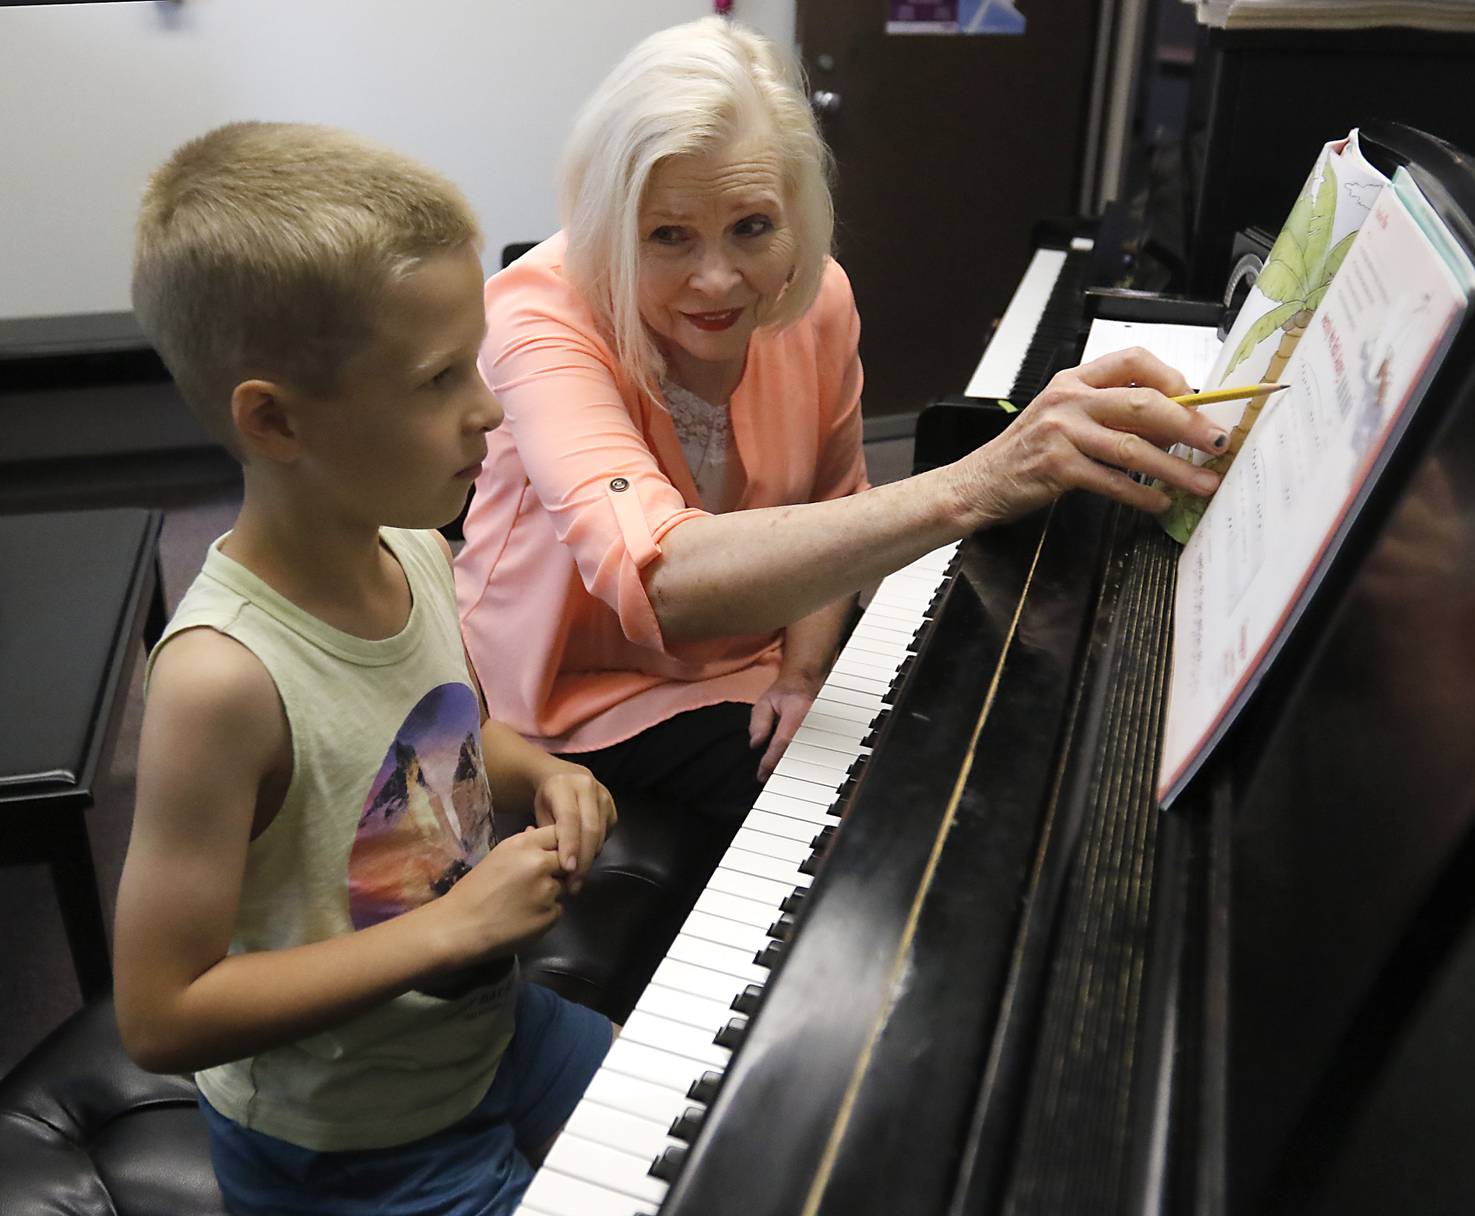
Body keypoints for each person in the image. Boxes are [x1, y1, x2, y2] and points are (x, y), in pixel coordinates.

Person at [454, 18, 1228, 854]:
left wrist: (803, 670)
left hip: (755, 647)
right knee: (879, 823)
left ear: (798, 211)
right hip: (579, 689)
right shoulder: (535, 317)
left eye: (752, 226)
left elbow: (830, 495)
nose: (718, 280)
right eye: (668, 235)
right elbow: (661, 580)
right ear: (611, 225)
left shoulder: (816, 296)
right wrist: (979, 481)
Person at [114, 121, 618, 1216]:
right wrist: (453, 926)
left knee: (717, 1129)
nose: (488, 408)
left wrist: (539, 771)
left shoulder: (416, 545)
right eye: (439, 378)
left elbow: (439, 732)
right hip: (350, 1144)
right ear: (276, 419)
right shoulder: (221, 683)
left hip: (489, 1036)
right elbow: (161, 1012)